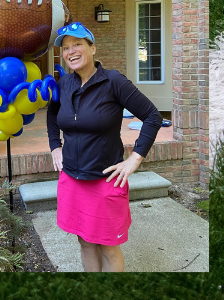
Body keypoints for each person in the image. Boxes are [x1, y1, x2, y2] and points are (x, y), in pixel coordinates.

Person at [46, 21, 162, 272]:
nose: (70, 51)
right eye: (65, 47)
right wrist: (55, 145)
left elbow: (153, 116)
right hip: (72, 179)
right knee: (85, 241)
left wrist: (135, 159)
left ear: (93, 48)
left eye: (77, 44)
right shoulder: (63, 84)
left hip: (105, 179)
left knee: (108, 245)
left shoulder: (113, 81)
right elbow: (52, 114)